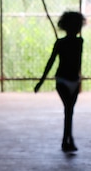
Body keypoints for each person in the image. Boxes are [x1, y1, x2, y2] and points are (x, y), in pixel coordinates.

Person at [34, 11, 86, 152]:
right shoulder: (78, 42)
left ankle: (67, 140)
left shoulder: (62, 43)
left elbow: (51, 62)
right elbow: (54, 62)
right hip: (68, 80)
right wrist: (41, 81)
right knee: (69, 110)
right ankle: (68, 140)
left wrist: (41, 81)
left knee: (68, 110)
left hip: (66, 79)